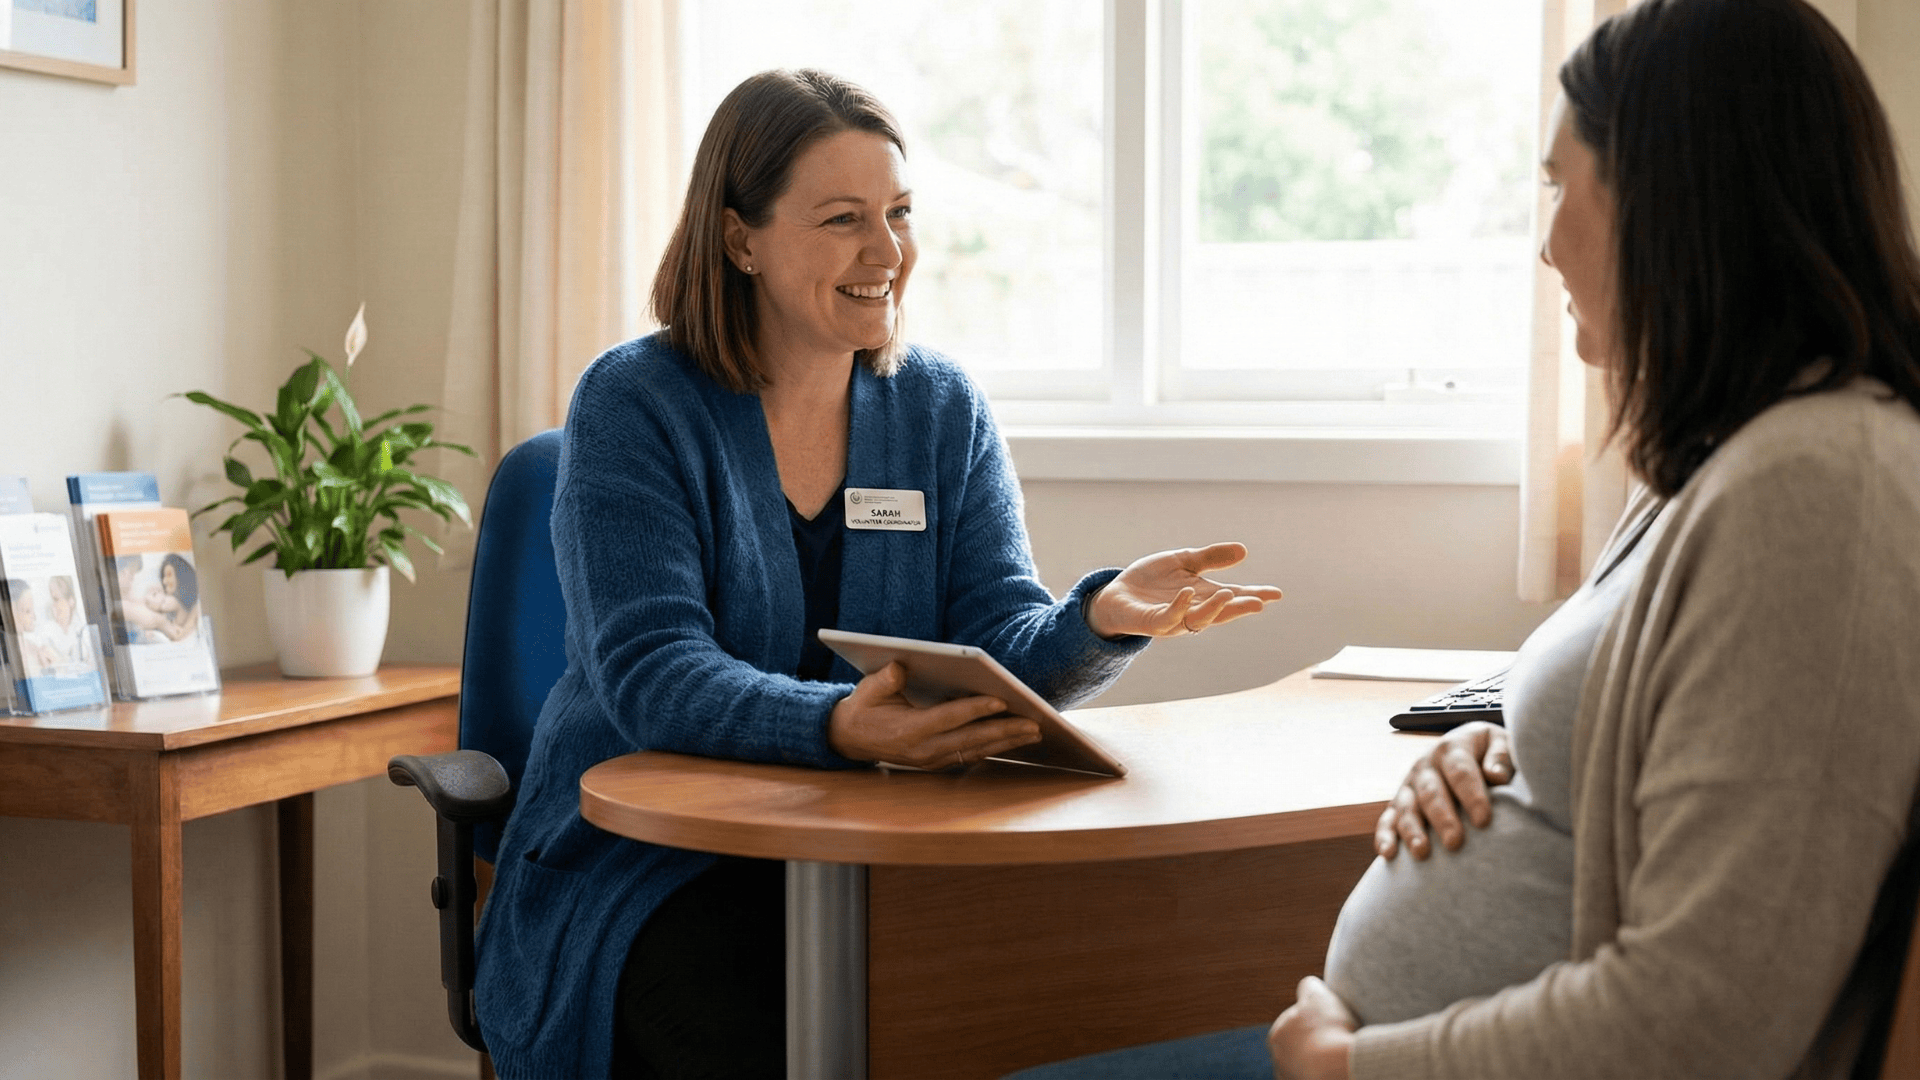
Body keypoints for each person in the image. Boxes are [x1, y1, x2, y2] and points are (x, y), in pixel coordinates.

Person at [1013, 1, 1920, 1077]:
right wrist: (1513, 755)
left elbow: (1708, 1019)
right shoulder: (1731, 458)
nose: (1544, 244)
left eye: (1557, 183)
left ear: (1674, 199)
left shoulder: (1817, 488)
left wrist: (1347, 1069)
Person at [472, 68, 1284, 1079]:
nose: (887, 252)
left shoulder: (942, 409)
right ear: (740, 240)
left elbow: (993, 643)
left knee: (1038, 994)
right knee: (761, 1036)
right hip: (655, 868)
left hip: (880, 854)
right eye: (843, 219)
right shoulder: (638, 403)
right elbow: (652, 671)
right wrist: (834, 725)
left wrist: (1104, 620)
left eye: (899, 213)